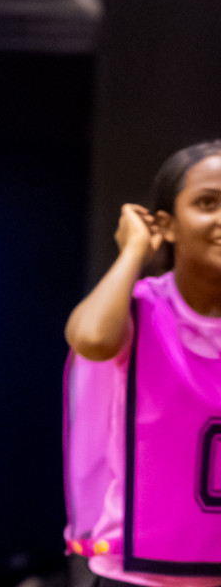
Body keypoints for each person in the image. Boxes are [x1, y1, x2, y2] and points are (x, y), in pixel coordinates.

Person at [63, 141, 221, 586]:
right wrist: (133, 252)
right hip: (137, 578)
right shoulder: (139, 309)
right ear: (167, 225)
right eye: (208, 203)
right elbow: (91, 339)